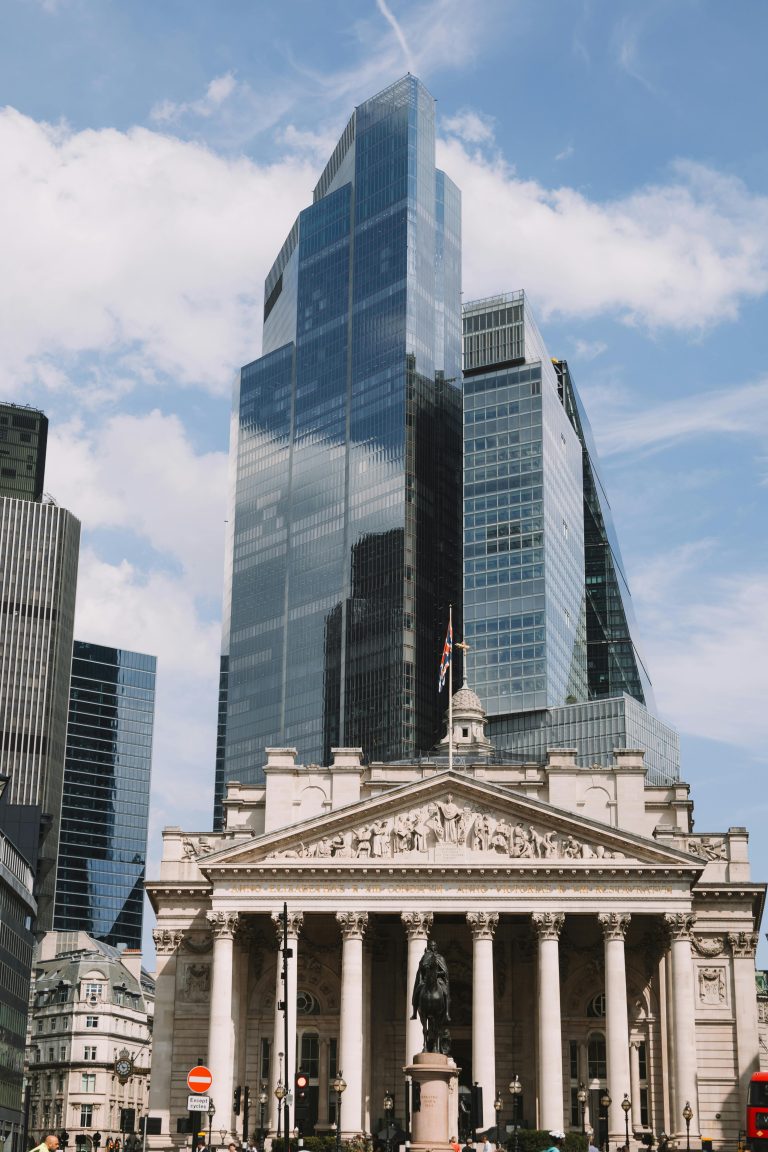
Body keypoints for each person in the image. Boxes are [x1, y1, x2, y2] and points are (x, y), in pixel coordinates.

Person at [410, 938, 450, 1021]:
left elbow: (444, 972)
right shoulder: (425, 957)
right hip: (425, 981)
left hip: (438, 980)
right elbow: (420, 971)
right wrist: (420, 981)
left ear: (436, 947)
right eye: (431, 946)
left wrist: (436, 974)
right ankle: (414, 1013)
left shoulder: (440, 958)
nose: (432, 947)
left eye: (433, 946)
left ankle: (446, 1013)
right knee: (416, 992)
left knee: (445, 993)